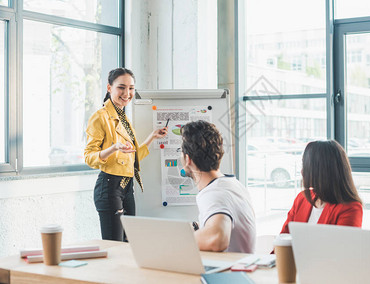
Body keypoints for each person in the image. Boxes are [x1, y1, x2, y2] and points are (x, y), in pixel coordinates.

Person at [84, 67, 167, 241]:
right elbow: (89, 157)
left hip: (127, 187)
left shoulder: (123, 118)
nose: (127, 93)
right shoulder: (101, 117)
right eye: (121, 87)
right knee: (116, 247)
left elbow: (133, 157)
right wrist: (114, 148)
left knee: (130, 245)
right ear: (109, 88)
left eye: (131, 88)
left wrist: (152, 137)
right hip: (109, 187)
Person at [180, 120, 256, 253]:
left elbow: (217, 238)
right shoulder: (233, 185)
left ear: (187, 159)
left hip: (226, 272)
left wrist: (174, 241)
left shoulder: (213, 193)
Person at [280, 140, 363, 234]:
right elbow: (284, 238)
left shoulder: (350, 208)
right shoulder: (302, 199)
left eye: (306, 166)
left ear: (321, 171)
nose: (302, 171)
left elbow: (341, 247)